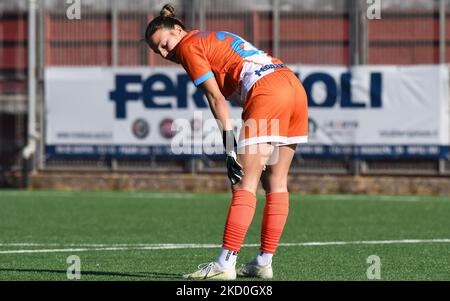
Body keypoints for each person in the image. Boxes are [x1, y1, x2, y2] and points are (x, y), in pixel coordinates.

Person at [145, 4, 308, 280]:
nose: (165, 53)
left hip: (268, 92)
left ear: (178, 29)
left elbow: (216, 99)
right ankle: (263, 261)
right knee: (276, 184)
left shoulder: (187, 46)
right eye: (158, 51)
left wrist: (229, 146)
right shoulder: (210, 37)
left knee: (243, 183)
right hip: (293, 87)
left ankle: (225, 263)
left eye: (164, 43)